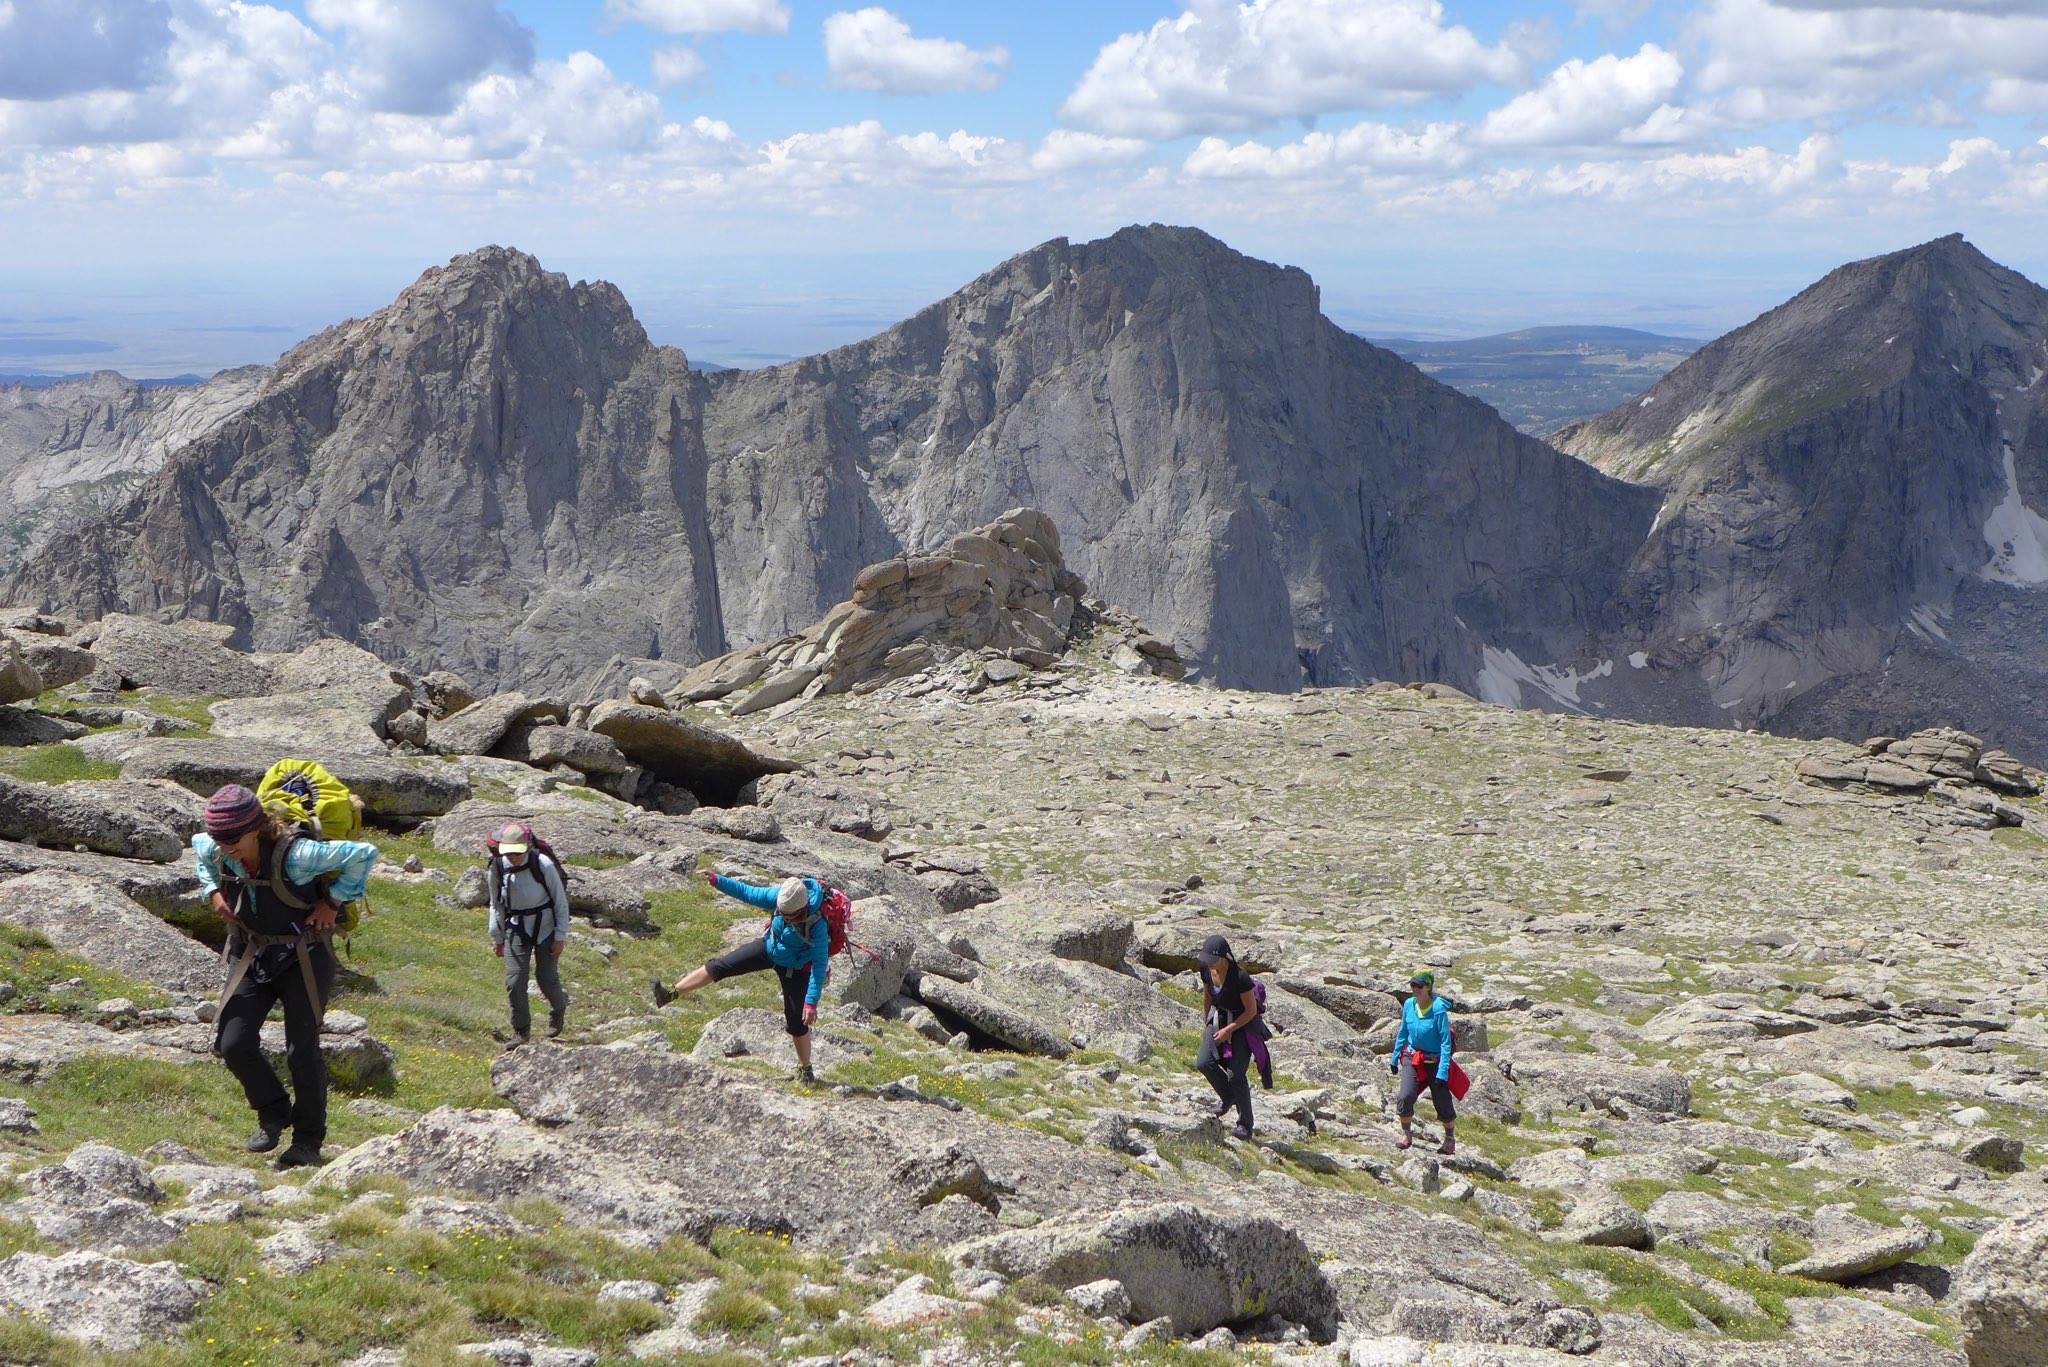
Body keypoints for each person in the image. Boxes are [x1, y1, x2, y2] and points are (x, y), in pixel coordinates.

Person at [193, 784, 378, 1169]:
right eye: (219, 837)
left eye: (232, 838)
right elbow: (200, 851)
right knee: (233, 1043)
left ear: (257, 827)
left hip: (304, 956)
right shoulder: (215, 847)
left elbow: (364, 853)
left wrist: (333, 901)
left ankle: (308, 1141)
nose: (225, 846)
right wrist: (213, 890)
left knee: (301, 1049)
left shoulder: (300, 855)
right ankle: (273, 1111)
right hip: (253, 952)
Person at [652, 870, 830, 1083]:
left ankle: (806, 1069)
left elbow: (820, 965)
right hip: (769, 949)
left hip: (796, 968)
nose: (781, 915)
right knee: (720, 966)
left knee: (796, 1023)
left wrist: (811, 1002)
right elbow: (747, 892)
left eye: (787, 915)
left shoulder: (818, 924)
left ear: (801, 910)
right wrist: (717, 880)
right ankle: (670, 994)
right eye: (780, 912)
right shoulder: (781, 897)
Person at [488, 822, 570, 1049]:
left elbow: (560, 901)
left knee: (546, 978)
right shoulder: (497, 867)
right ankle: (521, 1031)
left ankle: (558, 1009)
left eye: (517, 852)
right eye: (509, 853)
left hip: (546, 927)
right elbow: (496, 904)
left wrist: (560, 936)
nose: (513, 857)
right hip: (516, 927)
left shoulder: (542, 864)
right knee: (515, 981)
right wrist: (497, 937)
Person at [1194, 934, 1266, 1140]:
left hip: (1244, 1024)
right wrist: (1207, 1023)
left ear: (1225, 957)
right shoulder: (1206, 971)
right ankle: (1228, 1096)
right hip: (1219, 1018)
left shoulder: (1240, 978)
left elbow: (1251, 1011)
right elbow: (1208, 996)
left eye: (1213, 960)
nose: (1210, 965)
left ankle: (1245, 1125)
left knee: (1236, 1074)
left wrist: (1229, 1030)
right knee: (1203, 1062)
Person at [1390, 969, 1456, 1155]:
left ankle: (1449, 1140)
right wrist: (1395, 1057)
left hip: (1435, 1060)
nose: (1415, 989)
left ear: (1428, 987)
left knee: (1442, 1101)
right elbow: (1403, 1031)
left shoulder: (1438, 1009)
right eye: (1413, 985)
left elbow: (1445, 1042)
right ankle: (1406, 1135)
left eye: (1420, 985)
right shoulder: (1410, 1005)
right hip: (1414, 1057)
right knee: (1404, 1096)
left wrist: (1443, 1071)